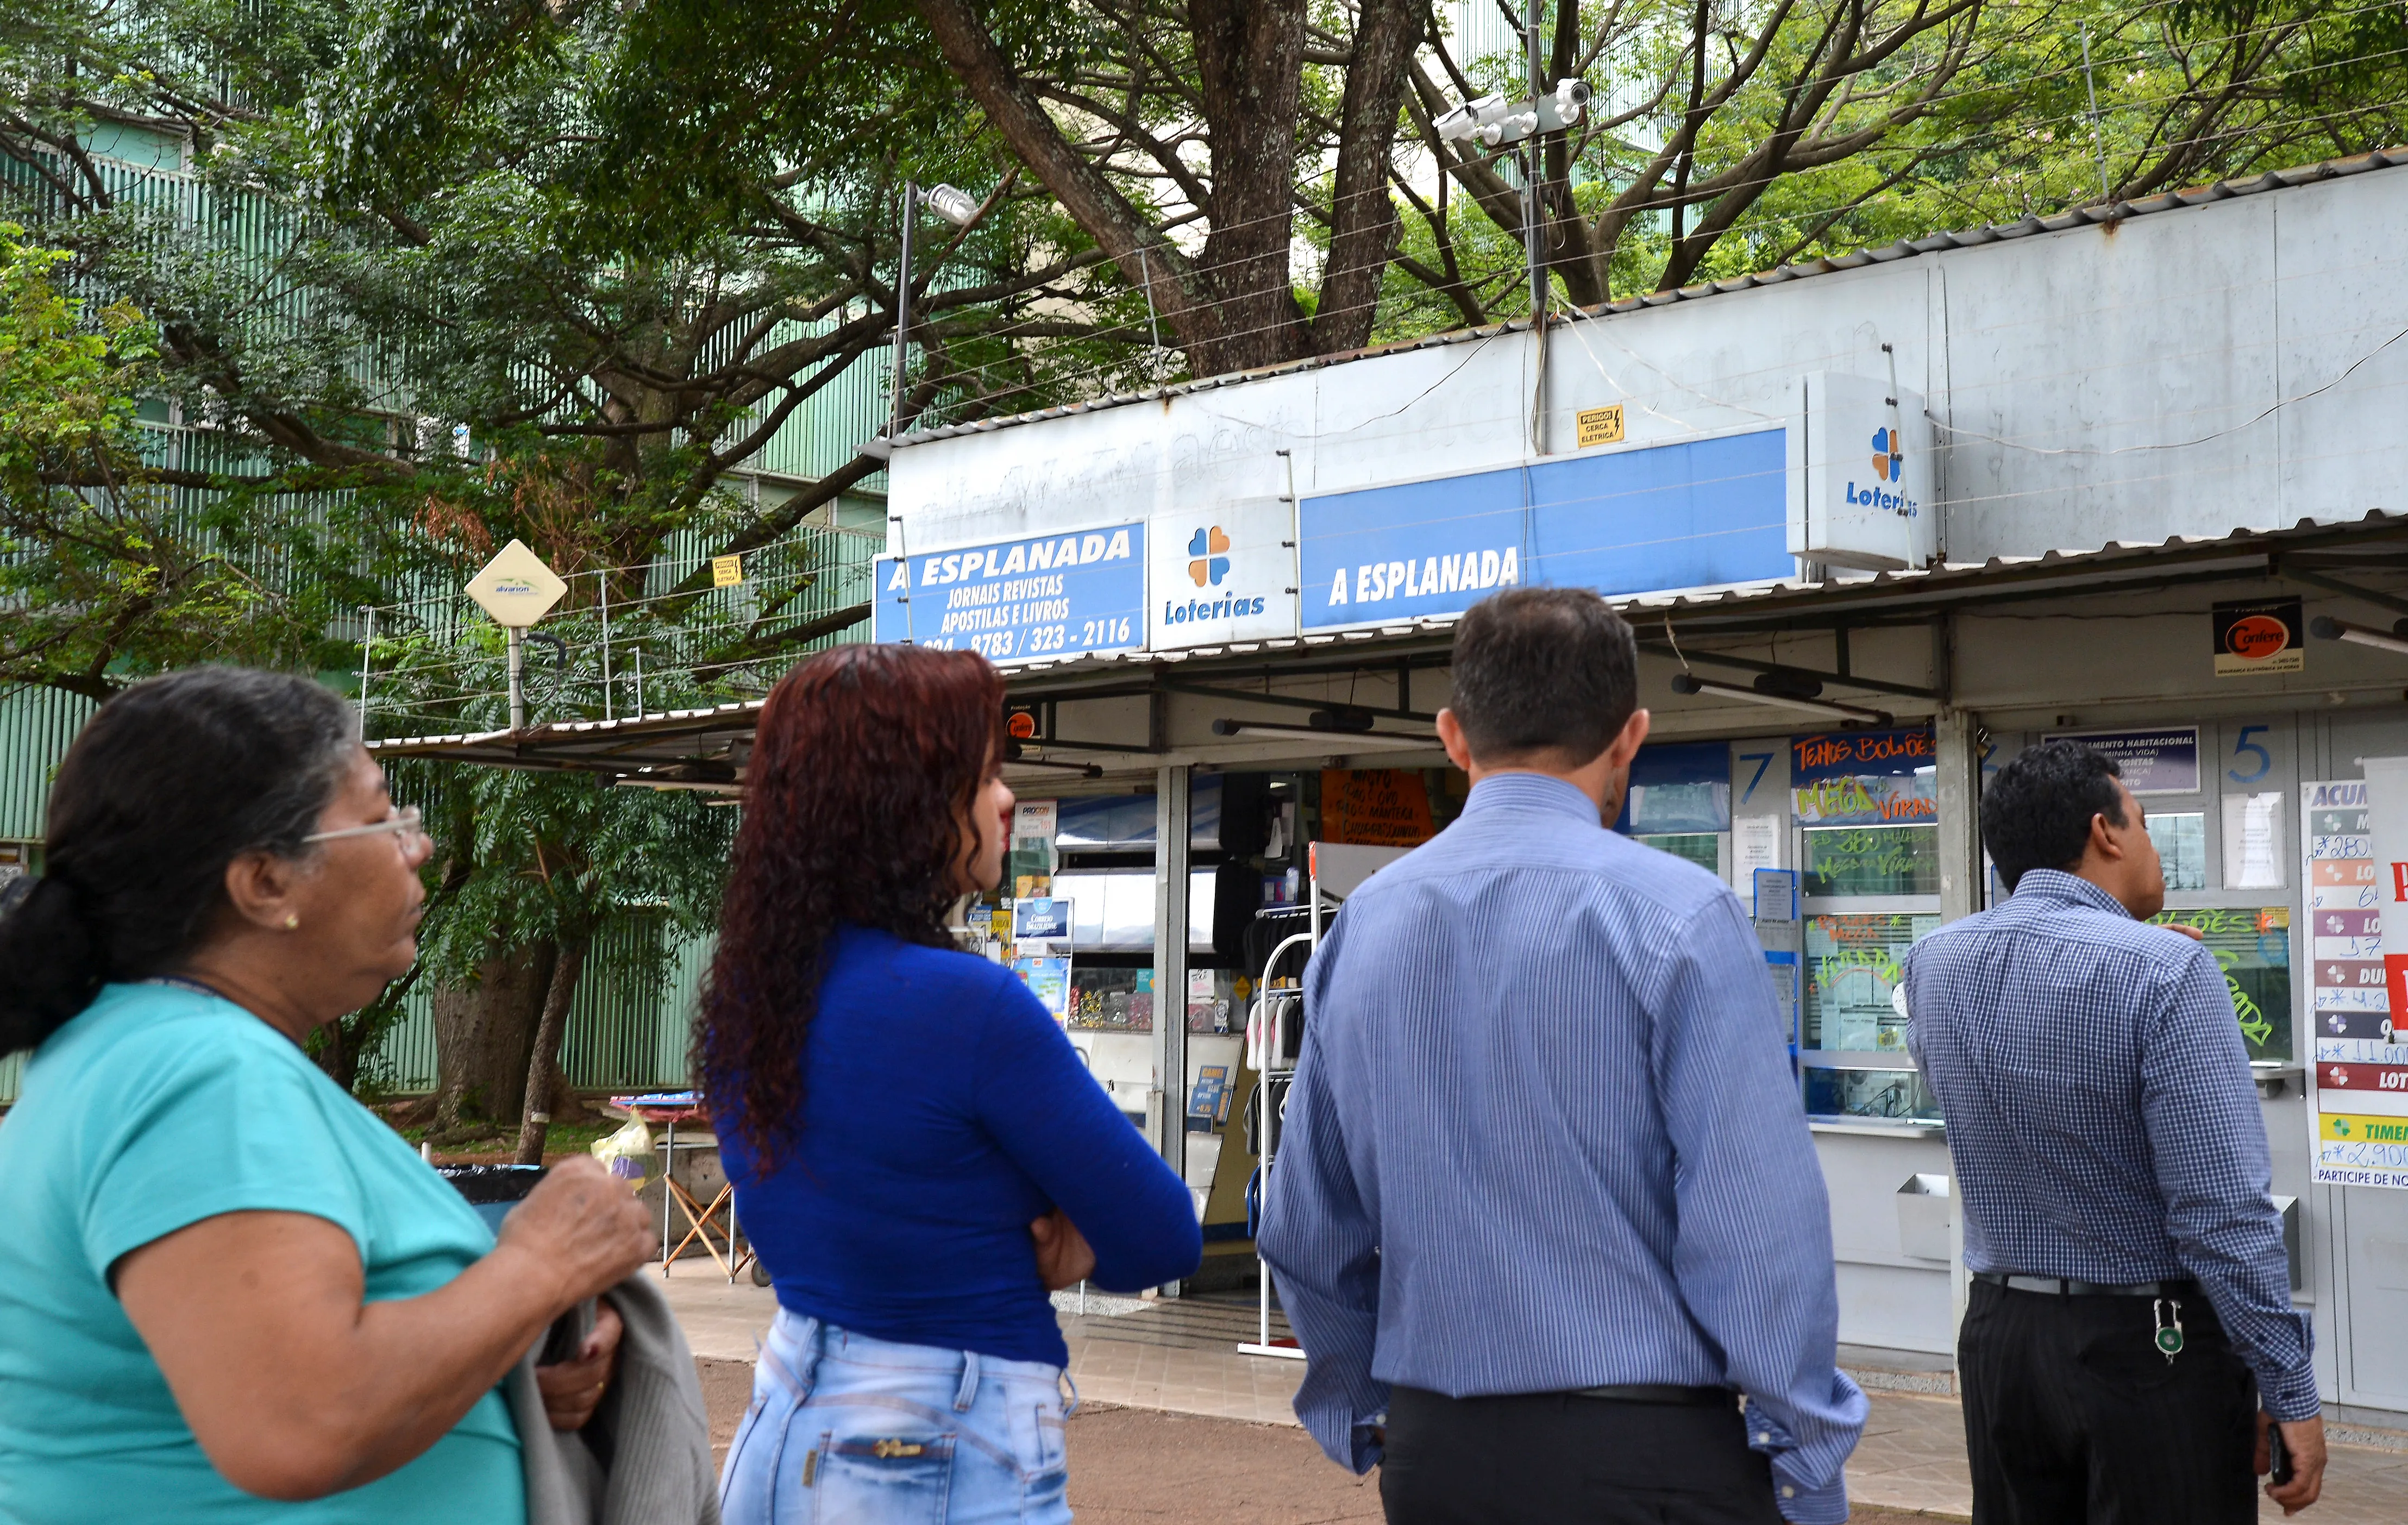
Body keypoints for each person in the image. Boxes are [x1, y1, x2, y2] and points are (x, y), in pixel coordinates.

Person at [1259, 586, 1867, 1525]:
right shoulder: (1683, 917)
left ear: (1454, 737)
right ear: (1631, 737)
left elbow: (1305, 1229)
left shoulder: (1360, 930)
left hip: (1438, 1457)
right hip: (1649, 1455)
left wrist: (1372, 1412)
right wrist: (1805, 1458)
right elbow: (1758, 1232)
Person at [0, 666, 654, 1522]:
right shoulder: (198, 1074)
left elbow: (242, 1361)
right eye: (383, 817)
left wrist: (495, 1368)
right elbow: (302, 1421)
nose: (418, 845)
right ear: (266, 883)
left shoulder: (145, 1049)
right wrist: (539, 1266)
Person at [700, 643, 1202, 1525]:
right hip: (937, 1444)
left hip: (783, 1426)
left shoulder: (752, 998)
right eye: (980, 778)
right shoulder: (970, 1007)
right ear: (902, 808)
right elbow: (1163, 1236)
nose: (1007, 799)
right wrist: (1053, 1236)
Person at [1902, 738, 2325, 1521]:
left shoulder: (1932, 962)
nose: (2154, 847)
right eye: (2147, 823)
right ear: (2106, 832)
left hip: (2001, 1337)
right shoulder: (2169, 973)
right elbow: (2222, 1212)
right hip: (2151, 1346)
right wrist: (2288, 1384)